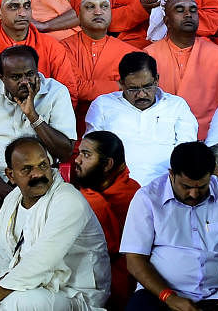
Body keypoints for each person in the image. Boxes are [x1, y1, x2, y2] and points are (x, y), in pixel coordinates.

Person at [0, 137, 109, 311]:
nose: (37, 174)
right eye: (27, 169)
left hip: (72, 294)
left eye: (43, 165)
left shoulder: (69, 200)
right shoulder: (12, 200)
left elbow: (42, 261)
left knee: (16, 302)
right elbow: (0, 257)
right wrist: (4, 284)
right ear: (11, 175)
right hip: (18, 284)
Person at [0, 45, 76, 199]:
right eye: (16, 77)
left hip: (38, 175)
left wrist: (33, 116)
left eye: (30, 74)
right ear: (1, 77)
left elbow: (65, 152)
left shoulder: (56, 92)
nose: (25, 82)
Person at [120, 141, 218, 311]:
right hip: (159, 293)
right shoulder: (148, 198)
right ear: (171, 174)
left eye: (202, 187)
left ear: (211, 175)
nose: (194, 194)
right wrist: (169, 297)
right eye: (186, 186)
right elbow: (134, 260)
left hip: (215, 293)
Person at [85, 52, 196, 187]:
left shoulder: (176, 105)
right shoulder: (102, 105)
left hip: (165, 187)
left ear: (157, 80)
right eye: (133, 89)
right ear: (121, 84)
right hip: (116, 187)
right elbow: (91, 152)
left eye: (147, 86)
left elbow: (187, 153)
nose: (141, 94)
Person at [70, 130, 141, 308]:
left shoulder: (133, 195)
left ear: (107, 164)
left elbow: (112, 248)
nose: (77, 160)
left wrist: (87, 198)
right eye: (79, 153)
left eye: (86, 155)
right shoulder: (83, 191)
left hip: (120, 282)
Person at [60, 0, 140, 122]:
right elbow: (74, 88)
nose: (98, 12)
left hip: (116, 127)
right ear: (78, 13)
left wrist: (88, 88)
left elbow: (136, 92)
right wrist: (121, 86)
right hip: (72, 129)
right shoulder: (62, 49)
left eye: (104, 6)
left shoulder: (131, 53)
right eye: (90, 7)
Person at [145, 0, 218, 139]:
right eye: (180, 10)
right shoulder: (149, 56)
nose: (188, 14)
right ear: (166, 21)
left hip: (209, 137)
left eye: (193, 10)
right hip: (160, 135)